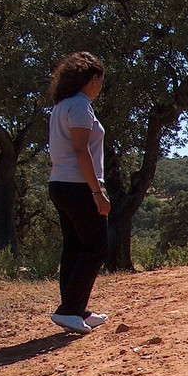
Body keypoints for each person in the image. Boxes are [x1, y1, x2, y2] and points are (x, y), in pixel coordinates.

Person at [47, 51, 110, 334]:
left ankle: (76, 309)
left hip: (59, 183)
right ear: (92, 78)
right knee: (97, 247)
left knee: (74, 246)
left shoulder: (61, 106)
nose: (100, 88)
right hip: (78, 185)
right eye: (100, 81)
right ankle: (69, 309)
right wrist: (97, 191)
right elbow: (81, 150)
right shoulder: (81, 106)